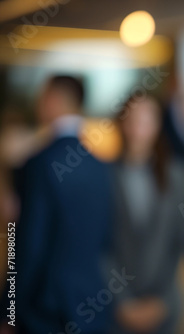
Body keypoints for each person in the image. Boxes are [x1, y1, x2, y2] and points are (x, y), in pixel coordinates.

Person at [16, 75, 113, 333]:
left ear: (54, 100)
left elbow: (27, 245)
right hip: (92, 303)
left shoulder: (39, 164)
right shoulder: (103, 167)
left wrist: (9, 310)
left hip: (45, 308)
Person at [109, 94, 184, 334]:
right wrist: (121, 302)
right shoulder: (105, 177)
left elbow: (181, 243)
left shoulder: (175, 175)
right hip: (114, 308)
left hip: (163, 307)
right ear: (121, 123)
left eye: (146, 120)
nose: (138, 129)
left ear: (158, 124)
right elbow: (99, 248)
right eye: (131, 119)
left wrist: (162, 300)